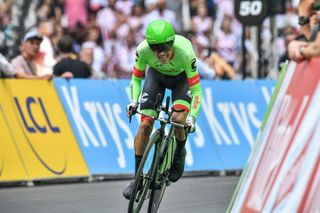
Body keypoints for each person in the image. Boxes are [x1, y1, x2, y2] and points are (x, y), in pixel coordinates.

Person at [122, 19, 202, 199]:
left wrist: (192, 117)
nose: (161, 52)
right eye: (155, 48)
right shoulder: (142, 50)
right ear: (149, 46)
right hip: (156, 77)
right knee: (145, 125)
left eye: (165, 46)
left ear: (172, 42)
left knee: (178, 119)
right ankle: (137, 179)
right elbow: (136, 79)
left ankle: (180, 151)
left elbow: (196, 91)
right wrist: (134, 102)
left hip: (181, 79)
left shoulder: (185, 52)